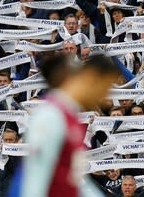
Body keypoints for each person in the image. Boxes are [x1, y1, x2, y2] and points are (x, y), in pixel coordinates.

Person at [19, 53, 120, 196]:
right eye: (105, 87)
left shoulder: (71, 115)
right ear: (92, 78)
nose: (104, 96)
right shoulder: (50, 115)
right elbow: (35, 175)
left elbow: (72, 176)